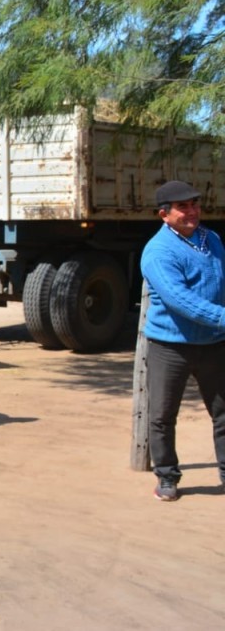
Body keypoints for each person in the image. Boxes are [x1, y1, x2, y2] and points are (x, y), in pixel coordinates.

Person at [140, 179, 225, 502]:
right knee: (162, 415)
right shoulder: (158, 251)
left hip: (215, 344)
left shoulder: (212, 239)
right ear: (164, 214)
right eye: (183, 207)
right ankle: (167, 476)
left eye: (194, 204)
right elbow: (180, 300)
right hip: (170, 346)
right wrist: (222, 317)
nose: (192, 212)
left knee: (223, 412)